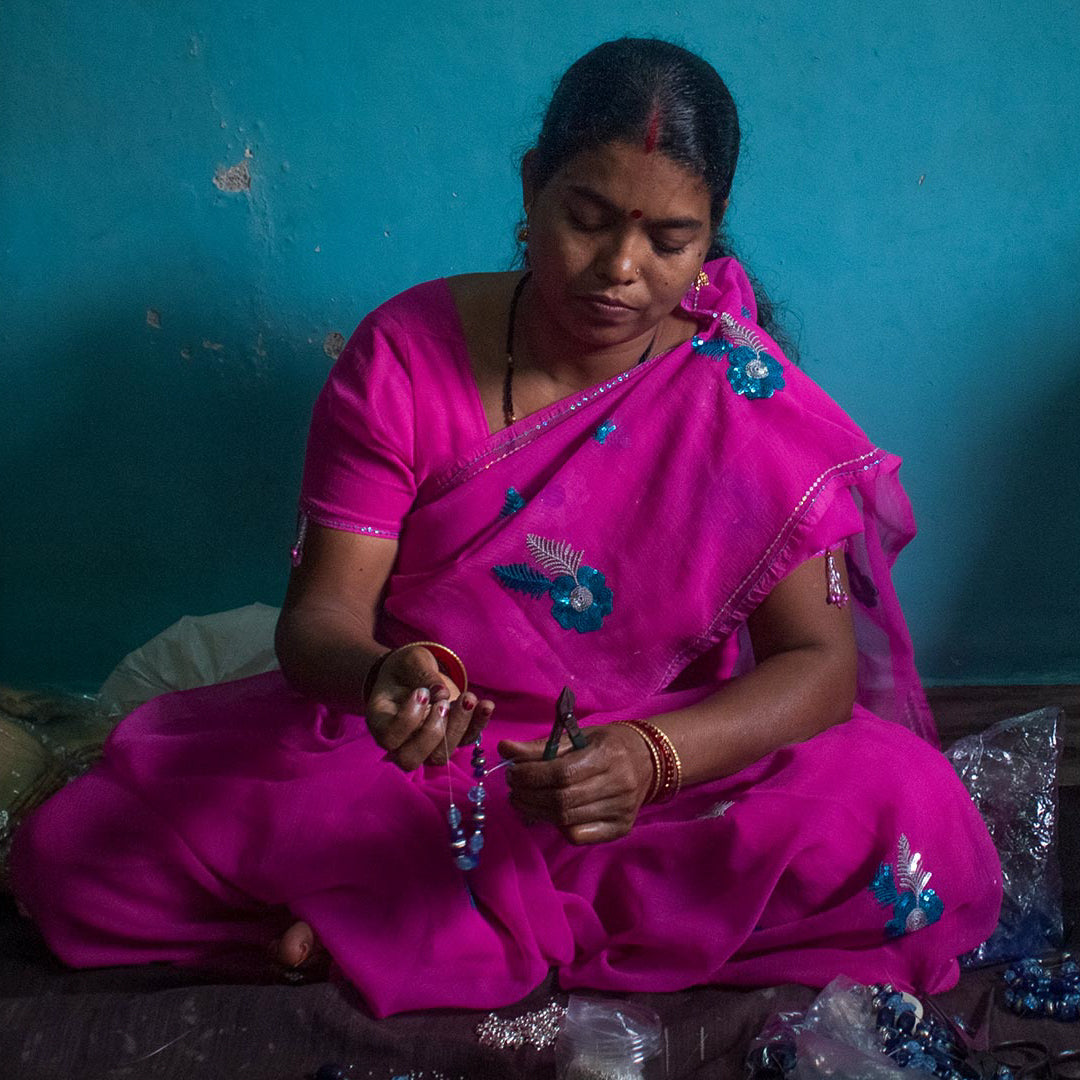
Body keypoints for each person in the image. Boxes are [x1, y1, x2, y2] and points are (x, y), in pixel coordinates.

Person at [11, 38, 1001, 1018]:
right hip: (415, 755)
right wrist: (380, 681)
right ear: (532, 187)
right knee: (75, 857)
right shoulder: (404, 356)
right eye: (587, 219)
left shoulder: (739, 390)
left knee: (908, 816)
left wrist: (649, 758)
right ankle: (430, 920)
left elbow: (818, 668)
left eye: (670, 241)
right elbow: (318, 624)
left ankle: (378, 922)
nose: (620, 269)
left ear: (712, 234)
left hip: (644, 767)